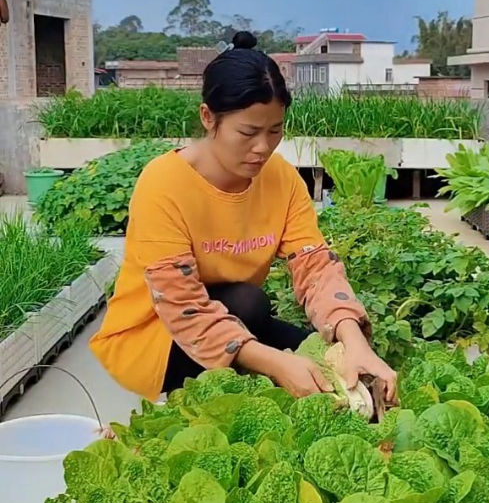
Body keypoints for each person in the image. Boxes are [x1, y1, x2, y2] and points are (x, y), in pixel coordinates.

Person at [89, 31, 397, 403]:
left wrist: (352, 337)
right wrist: (274, 364)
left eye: (274, 131)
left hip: (234, 320)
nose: (262, 147)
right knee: (253, 311)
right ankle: (195, 396)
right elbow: (181, 304)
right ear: (208, 117)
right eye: (248, 132)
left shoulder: (280, 178)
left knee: (333, 367)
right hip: (157, 336)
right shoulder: (164, 184)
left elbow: (315, 266)